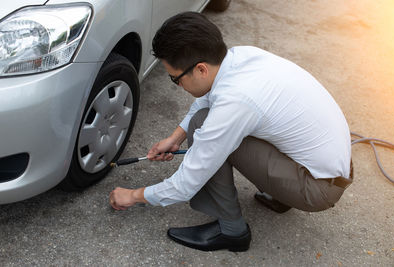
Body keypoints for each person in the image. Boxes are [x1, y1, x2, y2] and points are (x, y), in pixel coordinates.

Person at [109, 12, 353, 252]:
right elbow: (209, 98)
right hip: (326, 168)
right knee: (209, 122)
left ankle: (232, 230)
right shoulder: (240, 56)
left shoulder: (237, 101)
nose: (178, 86)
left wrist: (132, 195)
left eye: (176, 79)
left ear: (201, 69)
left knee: (204, 127)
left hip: (318, 188)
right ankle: (281, 196)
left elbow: (186, 184)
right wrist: (175, 138)